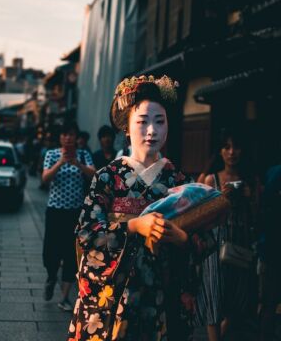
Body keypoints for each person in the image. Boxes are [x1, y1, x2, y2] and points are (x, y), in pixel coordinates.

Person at [67, 75, 213, 340]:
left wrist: (184, 239)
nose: (152, 130)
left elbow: (206, 239)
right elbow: (86, 233)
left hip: (163, 300)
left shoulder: (179, 181)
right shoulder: (108, 177)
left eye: (160, 121)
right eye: (142, 121)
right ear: (126, 127)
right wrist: (133, 225)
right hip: (114, 301)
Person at [194, 129, 259, 340]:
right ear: (220, 151)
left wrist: (250, 197)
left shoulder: (249, 180)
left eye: (236, 147)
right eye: (227, 147)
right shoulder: (209, 179)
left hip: (240, 242)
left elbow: (258, 216)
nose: (232, 152)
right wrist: (220, 199)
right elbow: (198, 214)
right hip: (214, 242)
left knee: (238, 295)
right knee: (213, 292)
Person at [42, 121, 95, 311]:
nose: (68, 138)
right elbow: (45, 178)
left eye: (71, 134)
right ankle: (51, 275)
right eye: (64, 135)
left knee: (72, 253)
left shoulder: (83, 154)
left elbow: (94, 175)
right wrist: (60, 163)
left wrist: (77, 164)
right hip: (55, 211)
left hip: (76, 213)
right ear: (60, 138)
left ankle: (64, 297)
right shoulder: (51, 154)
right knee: (51, 251)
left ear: (76, 137)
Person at [259, 164, 281, 340]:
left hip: (272, 245)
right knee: (270, 301)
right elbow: (264, 205)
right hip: (274, 245)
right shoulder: (276, 173)